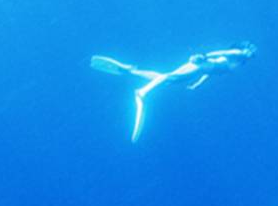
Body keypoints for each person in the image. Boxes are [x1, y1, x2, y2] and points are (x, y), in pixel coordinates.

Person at [91, 42, 256, 142]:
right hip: (199, 64)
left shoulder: (238, 63)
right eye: (250, 50)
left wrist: (197, 84)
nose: (251, 54)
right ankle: (143, 92)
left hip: (201, 69)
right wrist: (203, 56)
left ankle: (129, 71)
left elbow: (211, 73)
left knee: (169, 80)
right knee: (169, 77)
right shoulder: (238, 54)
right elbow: (220, 53)